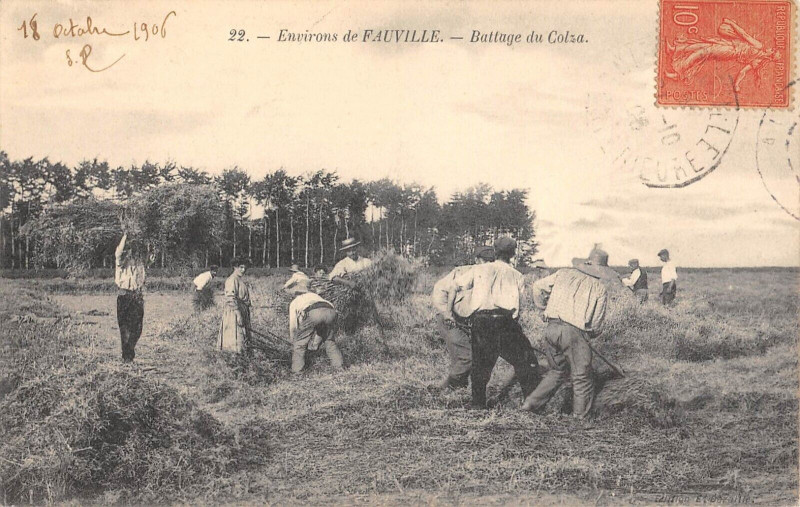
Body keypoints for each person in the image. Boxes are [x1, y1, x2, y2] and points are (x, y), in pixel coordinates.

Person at [521, 248, 612, 419]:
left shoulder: (563, 274)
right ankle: (580, 417)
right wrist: (589, 335)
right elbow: (596, 323)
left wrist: (543, 308)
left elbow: (537, 286)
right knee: (582, 376)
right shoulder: (599, 288)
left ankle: (530, 404)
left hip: (551, 328)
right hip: (574, 333)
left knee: (557, 371)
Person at [451, 237, 540, 409]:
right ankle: (531, 405)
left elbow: (456, 286)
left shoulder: (479, 269)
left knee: (481, 365)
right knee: (526, 361)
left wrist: (458, 312)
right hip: (505, 322)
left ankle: (478, 405)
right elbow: (519, 304)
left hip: (481, 321)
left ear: (495, 251)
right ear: (513, 254)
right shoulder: (517, 275)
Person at [430, 246, 495, 390]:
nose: (488, 265)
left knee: (461, 356)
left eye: (491, 261)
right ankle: (444, 387)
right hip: (450, 320)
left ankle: (458, 387)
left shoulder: (494, 275)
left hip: (467, 322)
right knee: (466, 357)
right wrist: (447, 314)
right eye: (485, 261)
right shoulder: (463, 272)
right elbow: (440, 290)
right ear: (477, 260)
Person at [289, 278, 344, 373]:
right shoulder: (315, 296)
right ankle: (339, 367)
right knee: (329, 340)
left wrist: (293, 340)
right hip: (331, 311)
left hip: (314, 312)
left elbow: (293, 326)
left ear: (296, 293)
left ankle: (297, 371)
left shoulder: (295, 302)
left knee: (299, 345)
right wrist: (315, 344)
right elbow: (321, 325)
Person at [115, 232, 152, 363]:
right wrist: (126, 234)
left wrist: (148, 240)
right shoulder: (121, 262)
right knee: (124, 327)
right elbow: (119, 252)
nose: (133, 252)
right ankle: (127, 357)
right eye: (130, 249)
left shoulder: (140, 263)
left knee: (137, 328)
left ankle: (129, 350)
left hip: (137, 295)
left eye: (135, 249)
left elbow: (149, 256)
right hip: (124, 294)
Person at [218, 258, 252, 354]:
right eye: (241, 267)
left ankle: (243, 357)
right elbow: (230, 298)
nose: (243, 270)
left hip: (242, 310)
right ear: (235, 267)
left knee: (243, 338)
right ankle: (234, 357)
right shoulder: (232, 280)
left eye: (245, 268)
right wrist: (238, 315)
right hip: (234, 313)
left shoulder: (238, 279)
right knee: (235, 337)